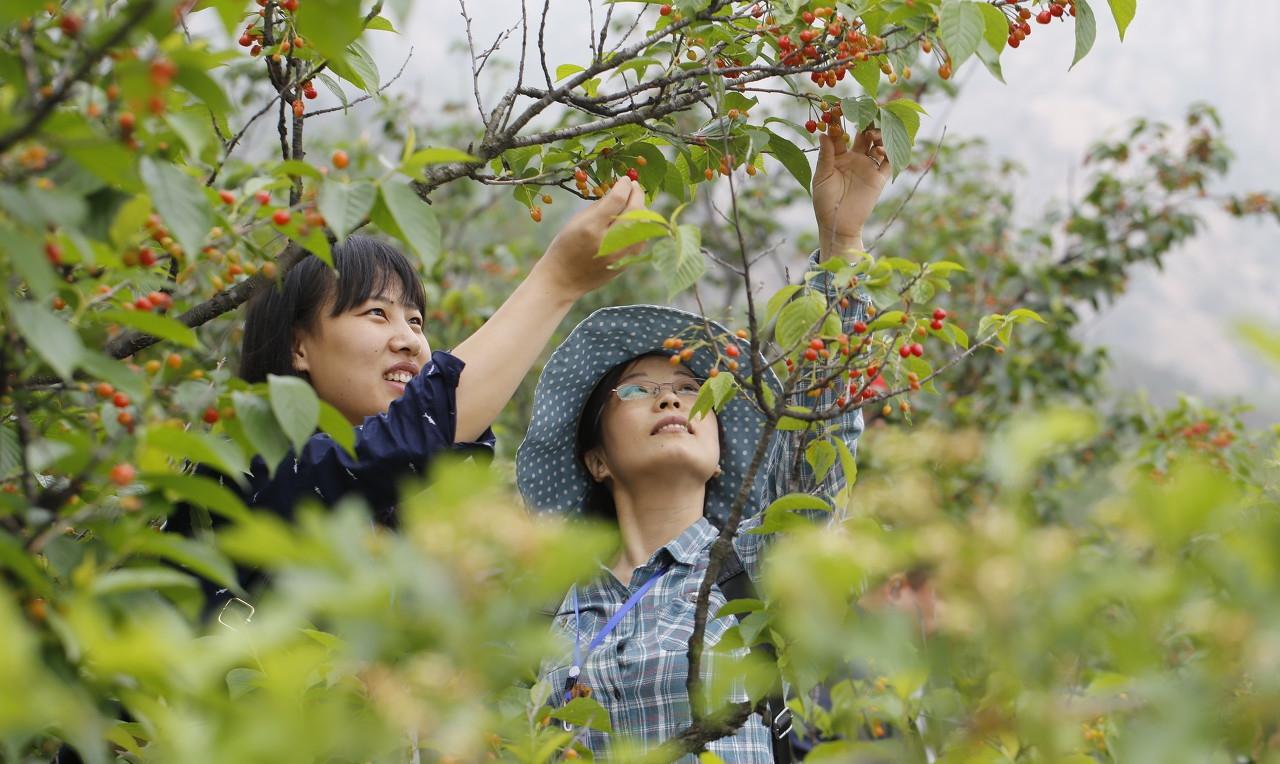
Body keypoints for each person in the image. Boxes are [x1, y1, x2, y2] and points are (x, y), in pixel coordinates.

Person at [514, 130, 891, 760]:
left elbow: (826, 431)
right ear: (596, 459)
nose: (669, 400)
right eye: (636, 392)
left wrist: (842, 246)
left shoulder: (758, 562)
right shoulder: (557, 603)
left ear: (720, 453)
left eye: (693, 390)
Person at [171, 177, 646, 602]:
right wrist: (558, 279)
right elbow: (421, 432)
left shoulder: (399, 521)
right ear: (299, 347)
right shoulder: (245, 463)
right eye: (376, 313)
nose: (410, 340)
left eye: (415, 321)